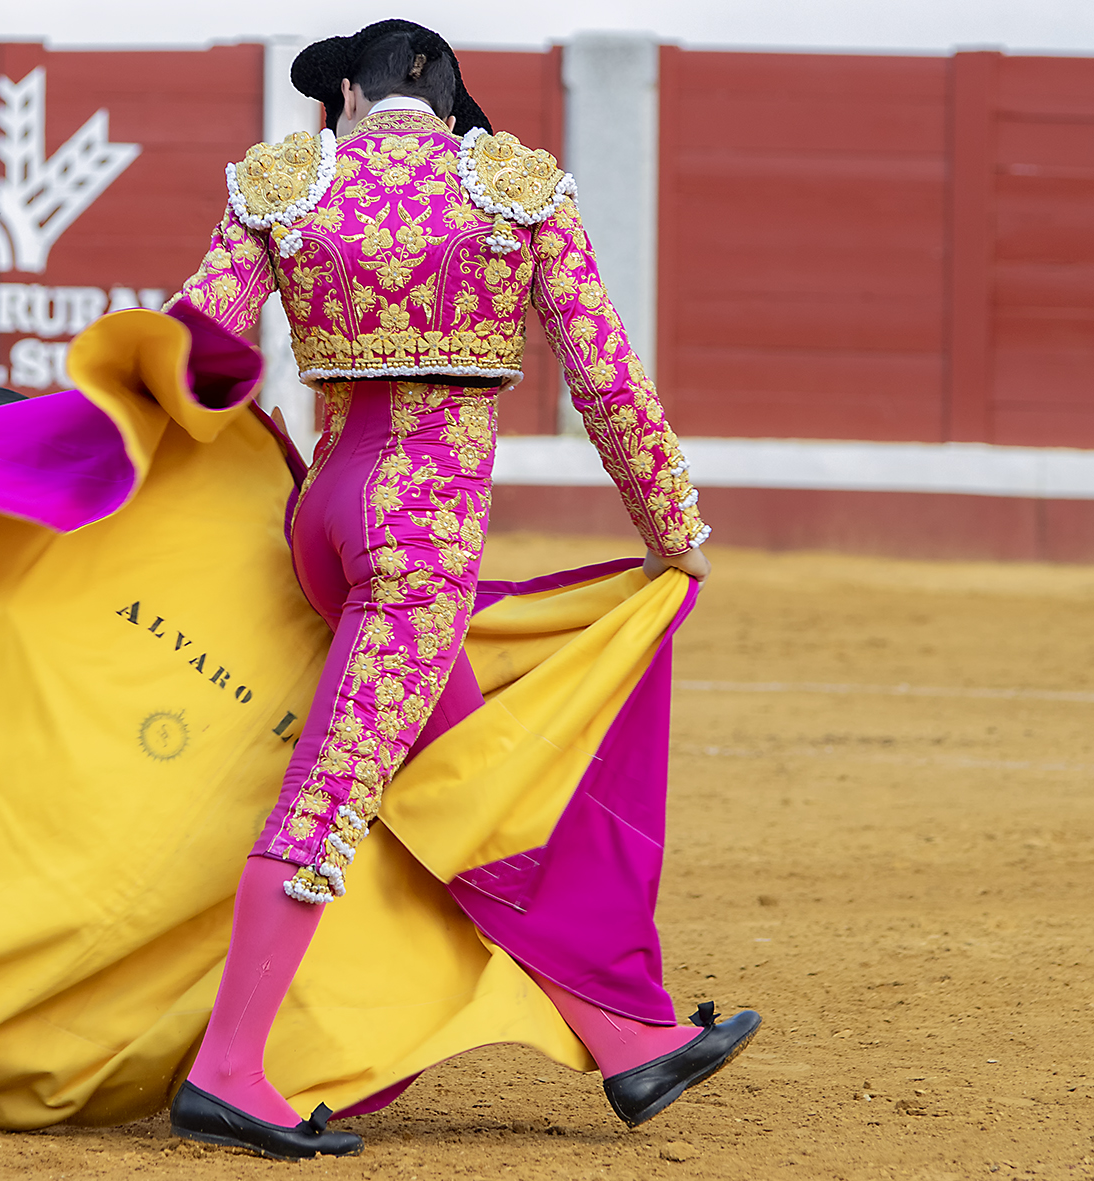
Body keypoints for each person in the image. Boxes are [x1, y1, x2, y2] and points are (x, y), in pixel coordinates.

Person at [164, 21, 758, 1159]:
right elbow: (603, 376)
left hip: (325, 515)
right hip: (419, 532)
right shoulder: (513, 187)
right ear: (446, 97)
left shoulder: (284, 183)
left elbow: (193, 355)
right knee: (333, 787)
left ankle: (627, 1041)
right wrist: (671, 528)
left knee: (470, 789)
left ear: (349, 90)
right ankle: (226, 1071)